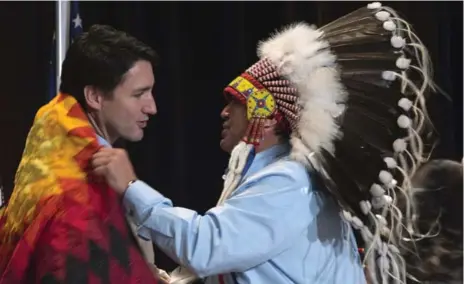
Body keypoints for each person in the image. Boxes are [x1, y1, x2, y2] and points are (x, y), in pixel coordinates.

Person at [92, 2, 440, 283]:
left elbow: (207, 246)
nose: (224, 113)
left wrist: (132, 188)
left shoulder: (290, 183)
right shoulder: (271, 177)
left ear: (270, 116)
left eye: (235, 103)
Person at [0, 24, 168, 283]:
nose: (152, 107)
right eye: (139, 94)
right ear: (95, 96)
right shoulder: (79, 196)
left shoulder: (54, 147)